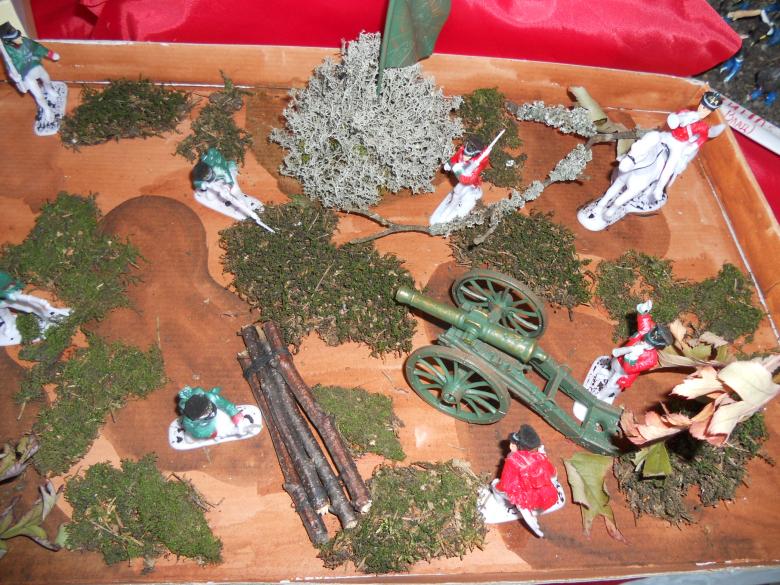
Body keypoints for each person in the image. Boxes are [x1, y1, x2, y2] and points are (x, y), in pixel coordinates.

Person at [574, 300, 673, 420]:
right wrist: (644, 311)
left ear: (655, 346)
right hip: (618, 360)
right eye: (646, 339)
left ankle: (598, 400)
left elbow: (630, 369)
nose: (644, 342)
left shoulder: (651, 359)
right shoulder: (645, 332)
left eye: (649, 343)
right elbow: (644, 322)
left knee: (611, 386)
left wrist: (632, 358)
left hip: (623, 373)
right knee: (611, 366)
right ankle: (606, 373)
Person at [485, 424, 565, 537]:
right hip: (541, 492)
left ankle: (501, 504)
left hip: (526, 495)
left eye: (512, 443)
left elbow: (506, 483)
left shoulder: (513, 462)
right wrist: (553, 479)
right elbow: (552, 472)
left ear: (514, 446)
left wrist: (497, 486)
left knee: (496, 489)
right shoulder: (539, 456)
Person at [0, 22, 64, 131]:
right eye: (16, 37)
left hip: (36, 66)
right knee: (38, 94)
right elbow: (10, 68)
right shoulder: (8, 52)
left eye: (18, 35)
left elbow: (37, 47)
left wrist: (50, 54)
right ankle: (47, 109)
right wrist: (14, 76)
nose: (20, 38)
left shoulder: (25, 41)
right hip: (26, 75)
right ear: (9, 41)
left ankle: (49, 89)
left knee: (46, 78)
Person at [192, 147, 274, 232]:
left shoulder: (219, 169)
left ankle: (245, 208)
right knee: (210, 197)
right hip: (215, 184)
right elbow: (197, 183)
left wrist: (227, 187)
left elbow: (228, 178)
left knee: (235, 191)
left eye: (208, 175)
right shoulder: (199, 174)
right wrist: (204, 185)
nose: (207, 177)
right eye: (205, 177)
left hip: (227, 178)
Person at [429, 136, 492, 225]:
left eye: (468, 156)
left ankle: (468, 198)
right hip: (461, 178)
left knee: (463, 192)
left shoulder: (477, 165)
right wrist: (450, 164)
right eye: (465, 154)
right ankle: (451, 205)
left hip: (470, 183)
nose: (465, 157)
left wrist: (458, 171)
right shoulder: (463, 150)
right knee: (456, 191)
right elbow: (456, 157)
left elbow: (469, 179)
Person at [0, 270, 70, 346]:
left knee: (29, 306)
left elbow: (7, 282)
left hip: (9, 297)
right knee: (4, 313)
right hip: (3, 302)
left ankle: (49, 318)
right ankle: (10, 324)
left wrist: (10, 291)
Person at [177, 385, 244, 442]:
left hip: (217, 414)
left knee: (221, 416)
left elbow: (224, 403)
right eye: (205, 412)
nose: (209, 410)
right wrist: (209, 432)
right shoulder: (188, 421)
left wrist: (234, 413)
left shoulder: (211, 397)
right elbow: (196, 431)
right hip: (204, 424)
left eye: (208, 407)